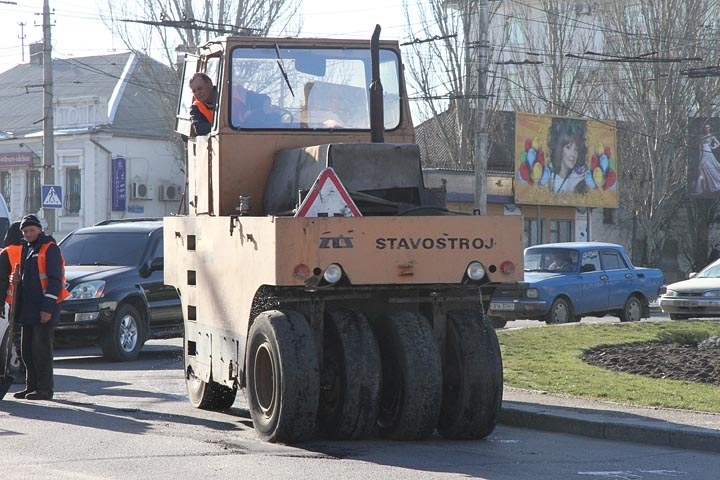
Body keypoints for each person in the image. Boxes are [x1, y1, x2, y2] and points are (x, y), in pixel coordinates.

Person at [12, 215, 70, 401]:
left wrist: (48, 308)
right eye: (25, 231)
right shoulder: (27, 249)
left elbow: (55, 281)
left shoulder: (50, 248)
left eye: (31, 230)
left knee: (41, 350)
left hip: (44, 308)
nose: (28, 234)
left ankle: (44, 390)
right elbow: (27, 279)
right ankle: (32, 387)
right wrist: (17, 280)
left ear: (39, 230)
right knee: (27, 350)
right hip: (28, 308)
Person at [0, 221, 24, 383]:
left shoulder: (7, 253)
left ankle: (22, 371)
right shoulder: (32, 250)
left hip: (14, 303)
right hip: (31, 302)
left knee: (16, 339)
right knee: (30, 340)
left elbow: (1, 281)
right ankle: (30, 373)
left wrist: (0, 303)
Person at [548, 118, 588, 194]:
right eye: (568, 147)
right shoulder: (549, 178)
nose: (573, 154)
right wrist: (570, 187)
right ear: (560, 150)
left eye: (576, 149)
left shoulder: (580, 180)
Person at [693, 122, 720, 195]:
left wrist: (712, 147)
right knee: (704, 169)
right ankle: (704, 188)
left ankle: (702, 189)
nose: (706, 129)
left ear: (710, 128)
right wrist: (699, 158)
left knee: (707, 168)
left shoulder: (712, 136)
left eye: (708, 127)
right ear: (704, 129)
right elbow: (700, 149)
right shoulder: (701, 137)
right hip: (703, 152)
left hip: (708, 152)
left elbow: (718, 143)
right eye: (705, 127)